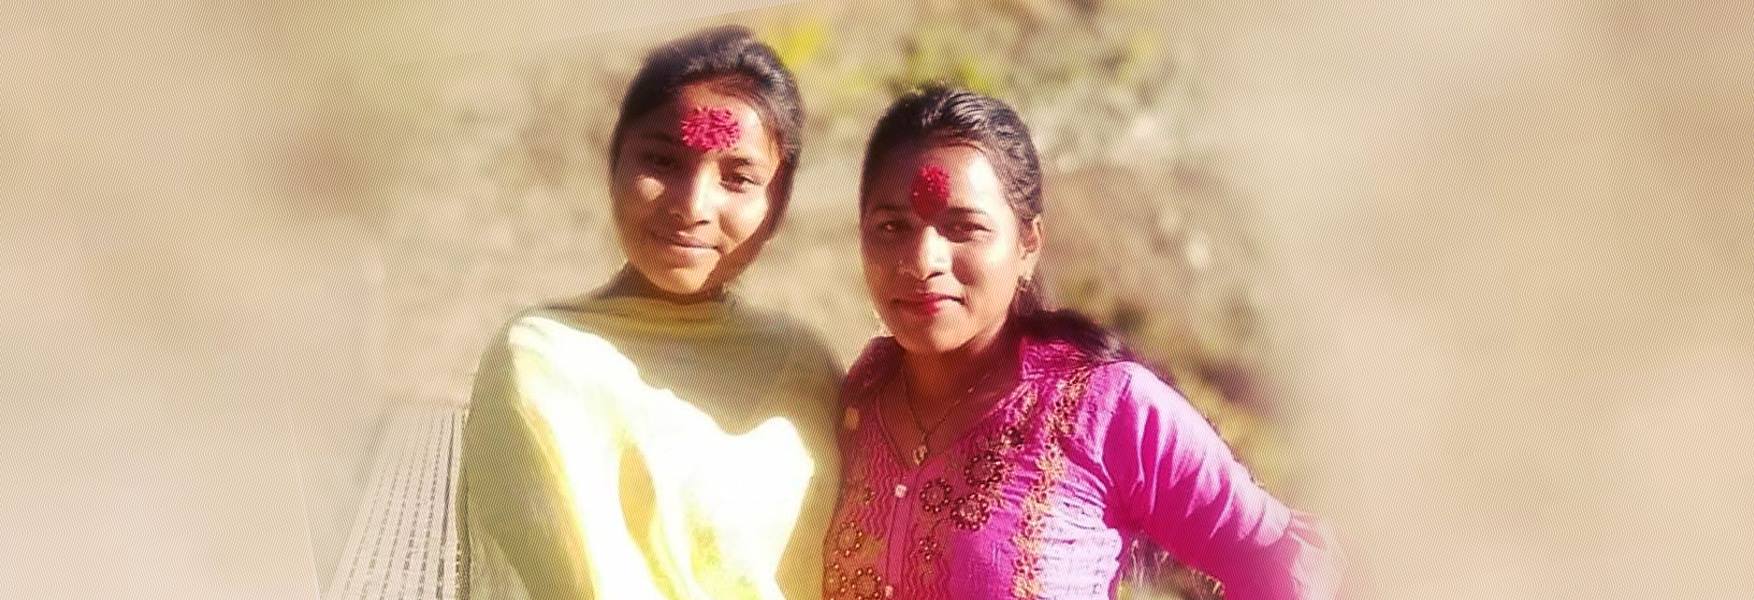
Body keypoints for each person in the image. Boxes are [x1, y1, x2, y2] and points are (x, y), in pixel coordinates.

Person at [822, 85, 1341, 599]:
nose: (922, 261)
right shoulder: (860, 398)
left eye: (964, 227)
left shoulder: (1108, 407)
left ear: (1028, 245)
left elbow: (1283, 562)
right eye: (891, 227)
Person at [458, 25, 842, 600]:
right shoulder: (542, 361)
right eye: (663, 161)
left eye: (738, 178)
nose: (692, 206)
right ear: (614, 165)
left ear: (777, 204)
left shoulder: (804, 368)